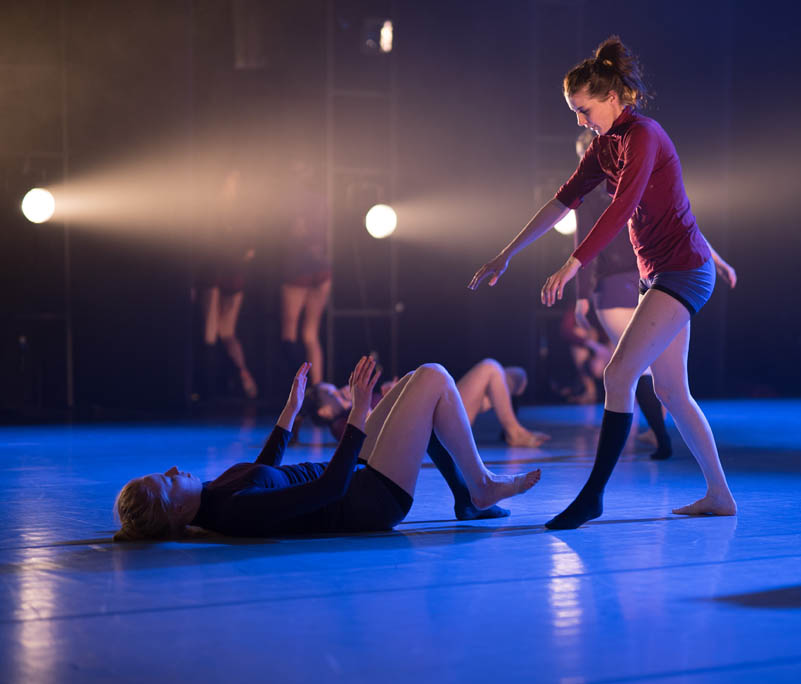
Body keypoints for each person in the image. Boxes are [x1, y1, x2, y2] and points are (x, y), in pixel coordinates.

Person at [470, 36, 736, 529]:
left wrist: (573, 264)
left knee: (618, 375)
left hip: (683, 271)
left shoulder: (643, 135)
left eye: (584, 110)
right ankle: (720, 495)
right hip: (659, 273)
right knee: (672, 391)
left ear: (612, 98)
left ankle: (592, 497)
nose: (580, 121)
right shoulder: (604, 145)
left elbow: (622, 207)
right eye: (574, 112)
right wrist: (506, 253)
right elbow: (561, 201)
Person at [113, 359, 541, 540]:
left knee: (415, 381)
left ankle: (467, 497)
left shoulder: (214, 495)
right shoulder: (233, 513)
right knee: (434, 378)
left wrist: (290, 410)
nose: (174, 469)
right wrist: (358, 411)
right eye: (167, 480)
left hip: (359, 477)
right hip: (372, 500)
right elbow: (329, 490)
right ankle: (480, 487)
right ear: (176, 511)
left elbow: (261, 472)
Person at [570, 128, 738, 460]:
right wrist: (581, 293)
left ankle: (660, 437)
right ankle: (659, 435)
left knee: (643, 372)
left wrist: (582, 295)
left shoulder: (636, 178)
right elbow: (586, 241)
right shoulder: (604, 189)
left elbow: (682, 224)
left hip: (645, 281)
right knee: (643, 371)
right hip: (635, 282)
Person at [303, 359, 550, 449]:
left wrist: (394, 392)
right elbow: (374, 435)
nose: (340, 390)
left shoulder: (356, 404)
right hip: (435, 424)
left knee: (515, 376)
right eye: (332, 394)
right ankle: (514, 432)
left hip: (432, 412)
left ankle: (509, 427)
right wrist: (388, 398)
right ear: (324, 411)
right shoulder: (343, 423)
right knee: (490, 368)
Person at [196, 168, 259, 399]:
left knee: (212, 333)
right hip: (230, 271)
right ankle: (240, 376)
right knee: (225, 332)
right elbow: (250, 251)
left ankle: (208, 389)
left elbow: (205, 245)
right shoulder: (241, 212)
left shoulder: (215, 210)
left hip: (217, 271)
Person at [280, 159, 331, 384]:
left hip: (298, 267)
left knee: (289, 332)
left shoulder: (290, 202)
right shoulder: (323, 201)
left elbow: (295, 233)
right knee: (311, 334)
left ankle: (300, 389)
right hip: (321, 267)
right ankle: (317, 388)